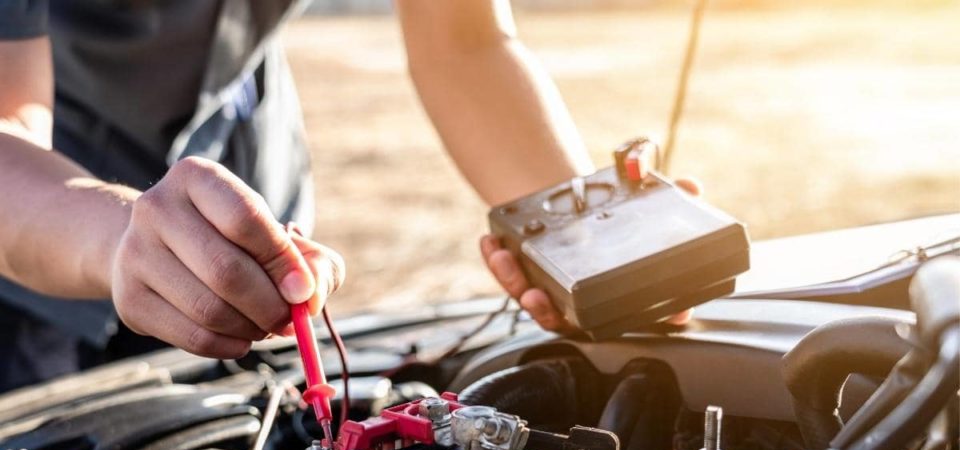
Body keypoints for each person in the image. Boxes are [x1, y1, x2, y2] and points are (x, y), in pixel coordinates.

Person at [0, 0, 695, 393]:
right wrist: (120, 234)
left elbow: (463, 41)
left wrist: (585, 247)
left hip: (250, 188)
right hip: (48, 222)